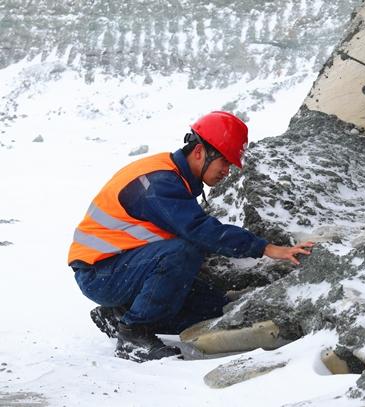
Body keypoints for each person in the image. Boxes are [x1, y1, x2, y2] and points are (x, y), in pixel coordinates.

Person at [68, 111, 314, 362]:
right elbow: (200, 231)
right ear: (199, 152)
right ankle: (133, 333)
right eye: (225, 162)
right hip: (100, 274)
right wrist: (266, 248)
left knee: (211, 306)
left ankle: (120, 314)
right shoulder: (160, 182)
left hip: (123, 267)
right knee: (184, 251)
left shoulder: (174, 175)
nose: (227, 171)